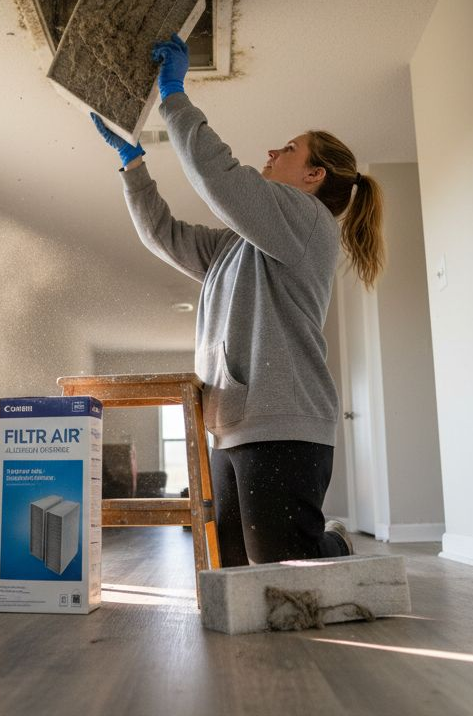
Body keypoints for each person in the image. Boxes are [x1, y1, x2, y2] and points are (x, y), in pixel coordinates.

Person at [90, 34, 385, 567]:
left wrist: (174, 95)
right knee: (230, 565)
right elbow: (166, 236)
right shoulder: (240, 242)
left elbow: (218, 178)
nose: (272, 153)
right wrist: (134, 168)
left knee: (281, 568)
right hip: (231, 422)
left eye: (289, 150)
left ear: (314, 176)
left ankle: (334, 542)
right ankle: (316, 539)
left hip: (283, 421)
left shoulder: (308, 220)